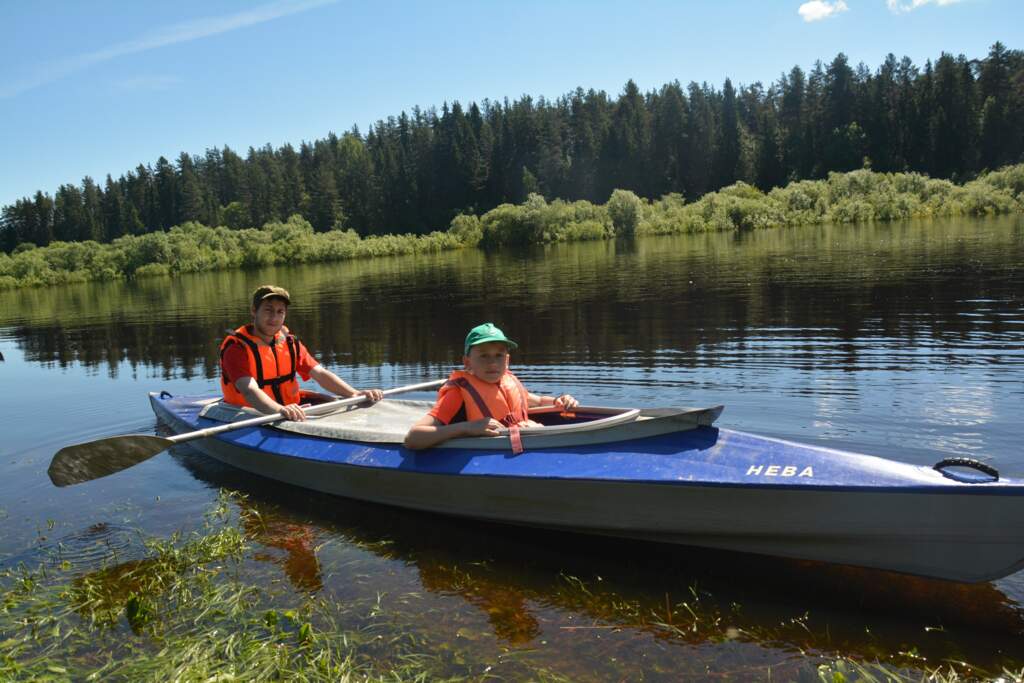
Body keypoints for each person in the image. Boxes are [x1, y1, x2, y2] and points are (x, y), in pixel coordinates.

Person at [219, 285, 382, 421]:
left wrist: (354, 393)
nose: (274, 318)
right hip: (251, 414)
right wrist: (280, 410)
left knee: (345, 404)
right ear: (254, 311)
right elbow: (249, 390)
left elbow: (319, 373)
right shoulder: (236, 348)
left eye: (280, 312)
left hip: (291, 408)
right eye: (268, 310)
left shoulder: (289, 343)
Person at [404, 323, 578, 450]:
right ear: (467, 362)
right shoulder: (458, 393)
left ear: (507, 360)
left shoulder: (507, 381)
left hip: (520, 443)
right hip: (486, 451)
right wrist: (467, 428)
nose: (493, 363)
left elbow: (539, 401)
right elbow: (413, 437)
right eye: (484, 356)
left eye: (499, 355)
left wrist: (559, 401)